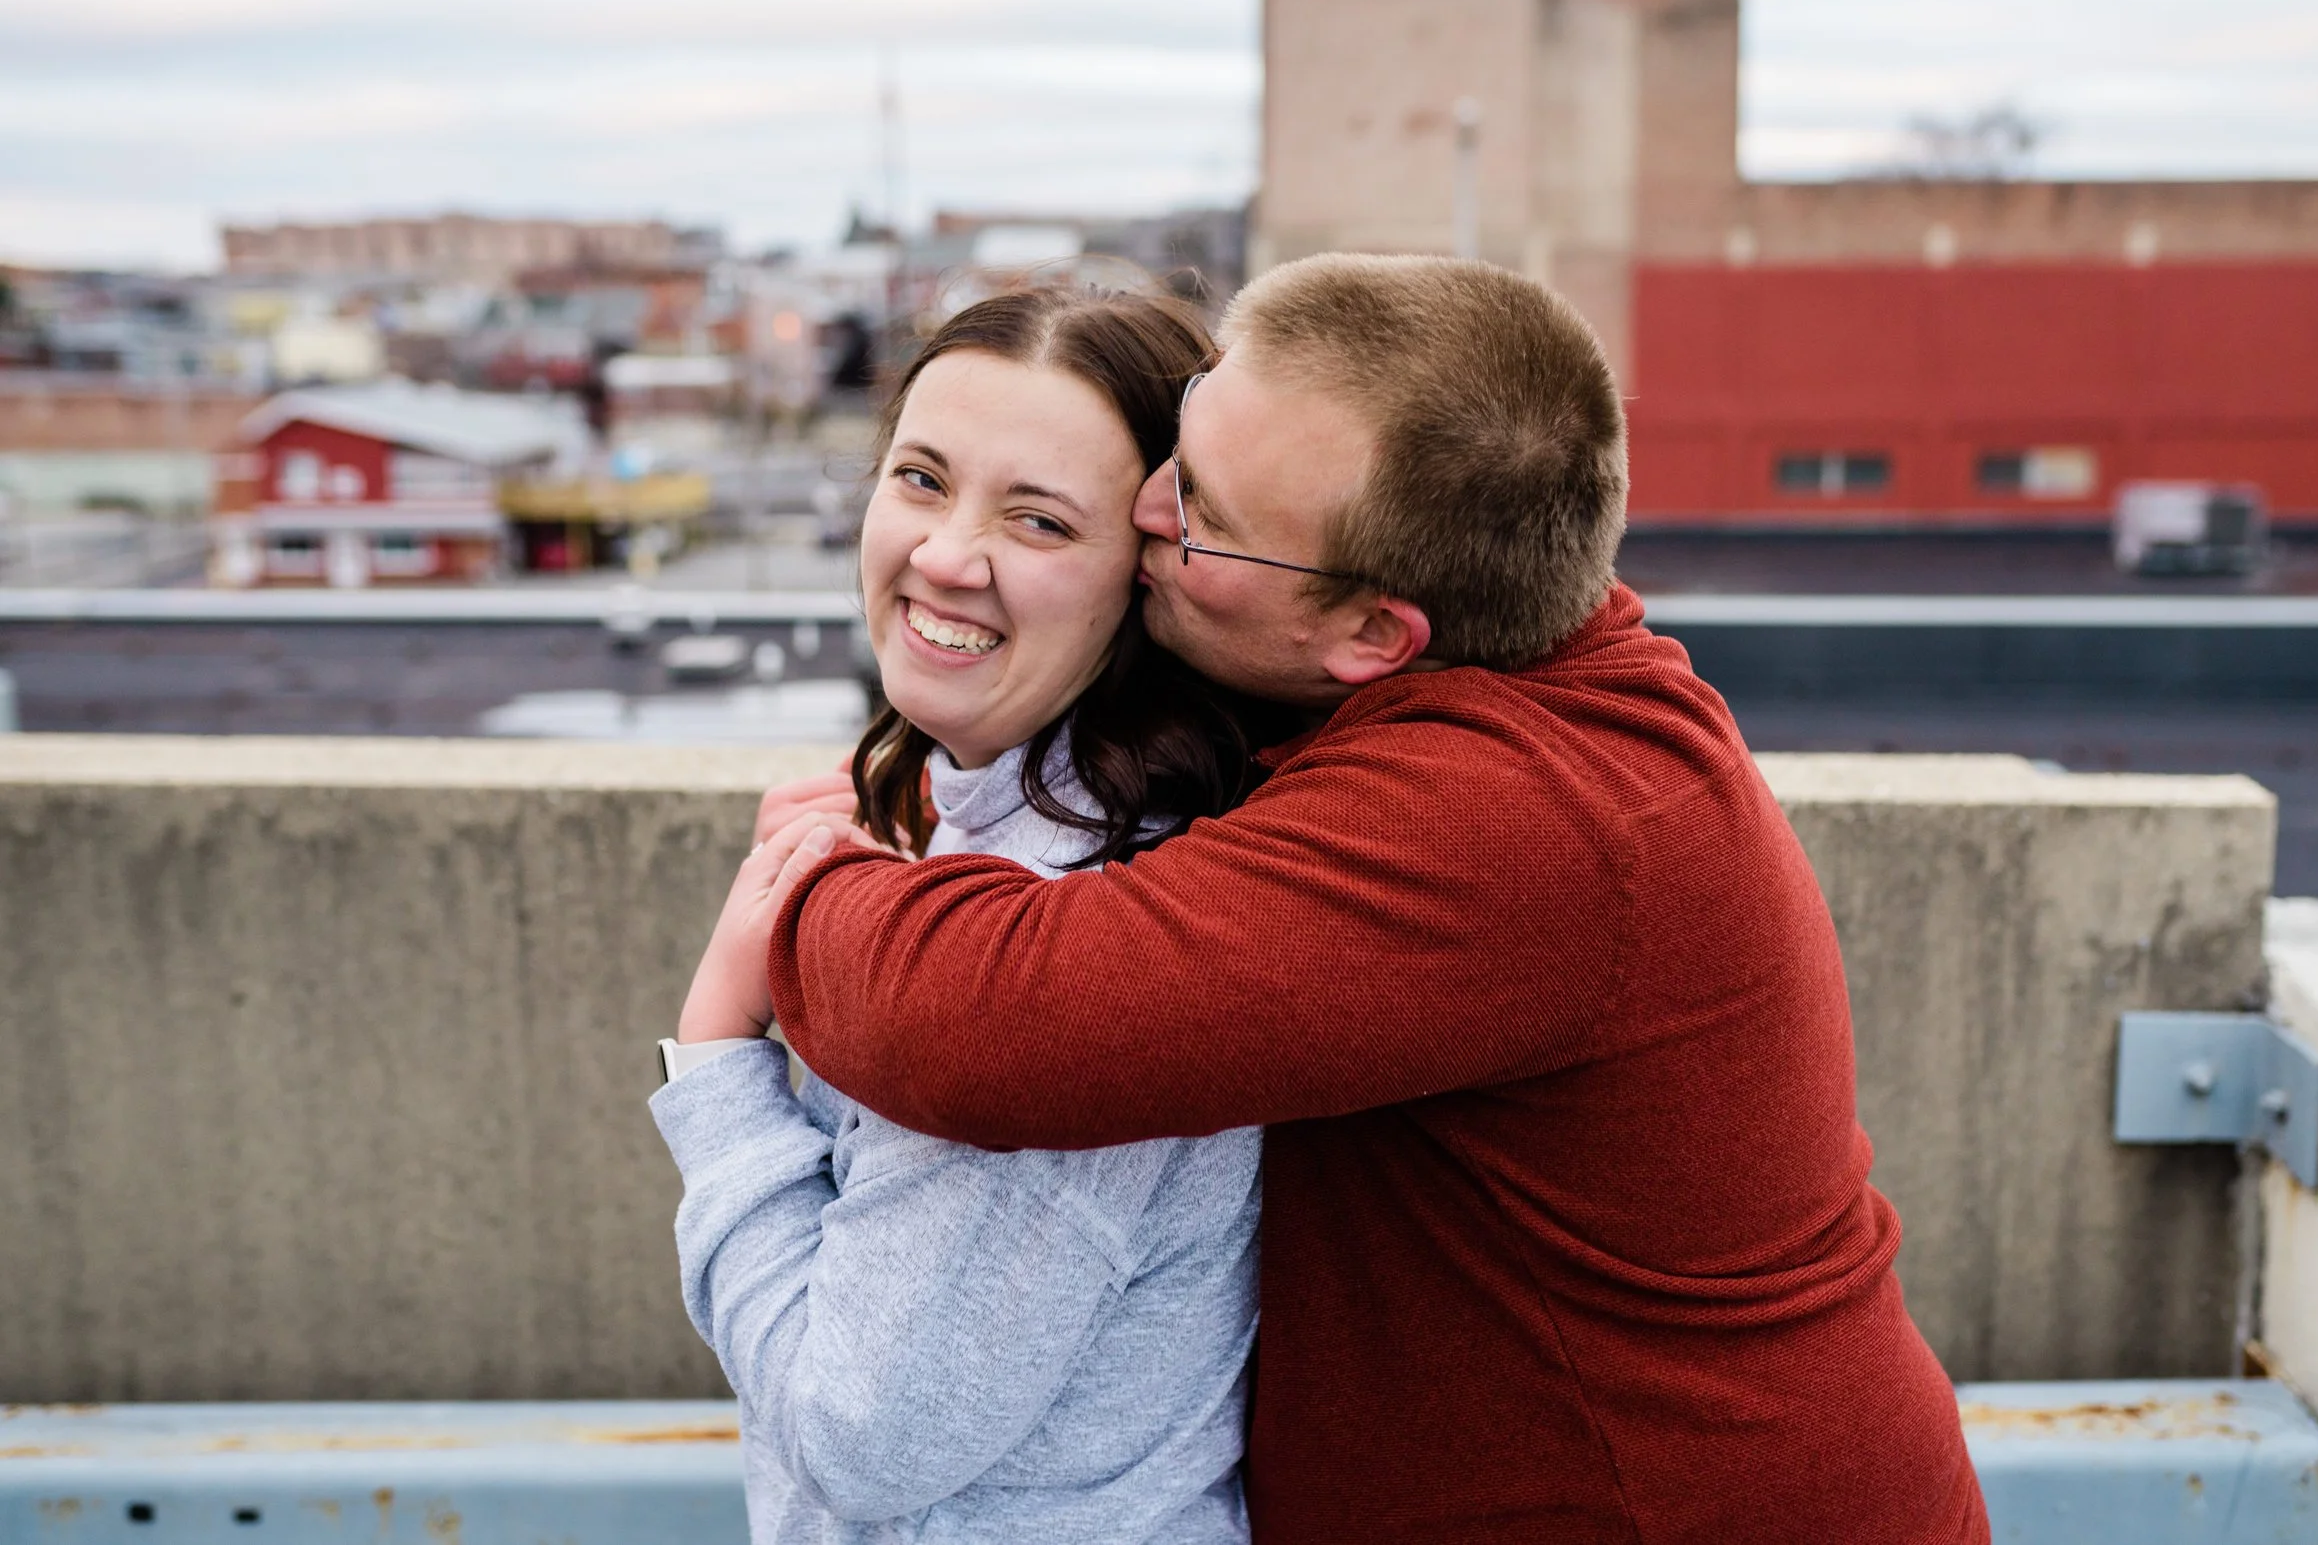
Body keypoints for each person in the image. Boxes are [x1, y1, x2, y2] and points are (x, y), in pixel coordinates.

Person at [738, 252, 1994, 1543]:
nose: (1150, 509)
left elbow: (982, 1024)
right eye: (1184, 441)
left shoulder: (1514, 818)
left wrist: (805, 871)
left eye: (1202, 508)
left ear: (1373, 635)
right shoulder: (1516, 668)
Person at [653, 287, 1278, 1545]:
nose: (944, 554)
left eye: (1038, 518)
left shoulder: (1068, 937)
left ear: (1148, 574)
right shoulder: (965, 820)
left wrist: (720, 1040)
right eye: (922, 478)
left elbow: (861, 1436)